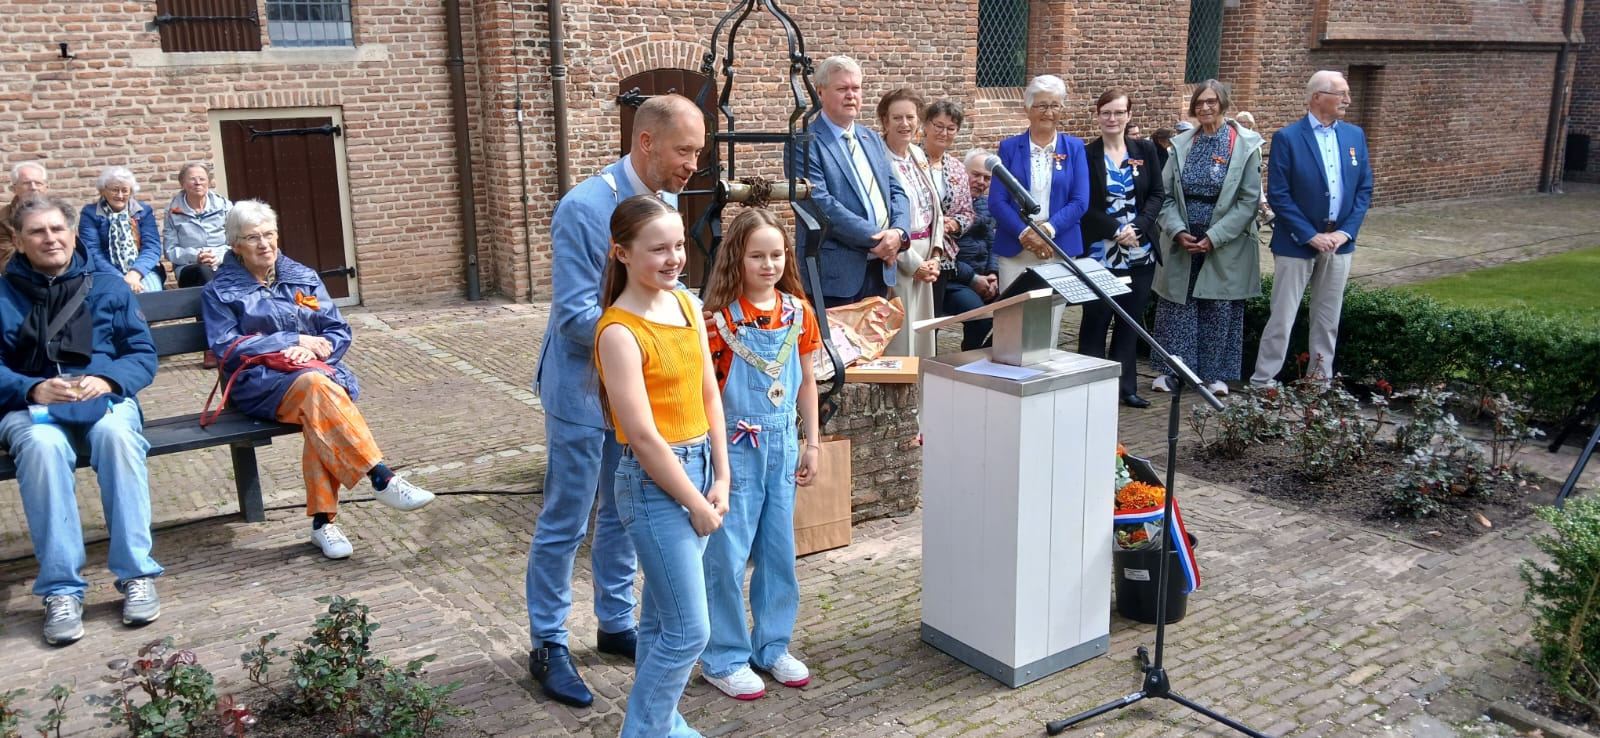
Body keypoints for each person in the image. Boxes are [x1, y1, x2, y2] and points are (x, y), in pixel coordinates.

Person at [527, 92, 705, 708]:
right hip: (581, 392)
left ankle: (615, 622)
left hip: (638, 391)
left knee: (624, 515)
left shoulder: (666, 200)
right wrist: (648, 330)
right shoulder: (583, 208)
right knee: (566, 519)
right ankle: (547, 643)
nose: (694, 165)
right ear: (647, 142)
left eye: (699, 152)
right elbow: (576, 315)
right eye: (685, 151)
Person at [201, 200, 435, 561]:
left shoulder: (302, 277)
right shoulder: (220, 292)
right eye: (252, 238)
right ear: (235, 246)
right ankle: (381, 477)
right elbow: (226, 348)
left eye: (269, 234)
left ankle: (323, 524)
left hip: (314, 376)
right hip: (259, 384)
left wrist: (313, 351)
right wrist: (291, 342)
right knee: (318, 390)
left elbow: (337, 330)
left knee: (318, 400)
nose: (264, 244)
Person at [594, 194, 730, 738]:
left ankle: (660, 722)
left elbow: (710, 397)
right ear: (621, 253)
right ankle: (646, 730)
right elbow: (645, 438)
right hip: (654, 487)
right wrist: (696, 503)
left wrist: (721, 475)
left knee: (660, 620)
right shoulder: (618, 332)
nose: (673, 258)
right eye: (658, 249)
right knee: (689, 632)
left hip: (700, 470)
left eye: (678, 245)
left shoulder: (687, 306)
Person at [0, 195, 164, 646]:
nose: (49, 238)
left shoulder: (108, 286)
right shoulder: (2, 295)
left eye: (57, 229)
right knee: (42, 447)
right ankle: (61, 590)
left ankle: (136, 575)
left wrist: (108, 380)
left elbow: (142, 354)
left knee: (116, 436)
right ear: (18, 240)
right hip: (31, 406)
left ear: (73, 233)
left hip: (103, 400)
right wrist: (29, 388)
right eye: (37, 231)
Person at [699, 208, 821, 701]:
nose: (768, 264)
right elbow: (706, 395)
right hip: (735, 450)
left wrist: (812, 441)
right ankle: (723, 656)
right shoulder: (718, 323)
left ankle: (771, 645)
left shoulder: (799, 312)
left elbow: (808, 381)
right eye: (757, 256)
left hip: (784, 446)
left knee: (778, 551)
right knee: (726, 554)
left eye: (776, 254)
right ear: (737, 258)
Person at [1250, 71, 1372, 386]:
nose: (1348, 99)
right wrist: (1310, 235)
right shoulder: (1288, 138)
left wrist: (1344, 233)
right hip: (1296, 243)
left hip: (1339, 243)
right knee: (1282, 317)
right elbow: (1279, 193)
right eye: (1341, 93)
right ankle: (1263, 381)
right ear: (1317, 96)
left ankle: (1320, 381)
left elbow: (1363, 190)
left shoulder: (1354, 136)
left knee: (1328, 319)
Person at [1150, 80, 1264, 397]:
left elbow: (1248, 201)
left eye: (1212, 102)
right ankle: (1173, 372)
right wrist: (1176, 230)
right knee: (1178, 305)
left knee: (1219, 305)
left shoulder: (1244, 145)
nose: (1205, 108)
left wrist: (1214, 237)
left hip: (1224, 239)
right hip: (1184, 238)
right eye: (1200, 102)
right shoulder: (1181, 144)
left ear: (1223, 104)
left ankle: (1214, 375)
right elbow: (1165, 195)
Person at [786, 55, 910, 308]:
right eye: (842, 88)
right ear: (820, 92)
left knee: (874, 346)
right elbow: (818, 203)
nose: (851, 95)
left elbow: (896, 192)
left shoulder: (871, 138)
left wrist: (899, 233)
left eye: (856, 88)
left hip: (880, 270)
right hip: (836, 276)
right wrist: (878, 240)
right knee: (836, 347)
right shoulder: (804, 143)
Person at [1079, 88, 1166, 409]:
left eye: (1118, 112)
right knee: (1096, 320)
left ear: (1129, 115)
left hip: (1141, 252)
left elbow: (1157, 194)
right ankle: (1089, 387)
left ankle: (1125, 388)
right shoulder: (1086, 155)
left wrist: (1139, 226)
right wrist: (1115, 230)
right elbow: (1084, 205)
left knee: (1129, 321)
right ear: (1097, 116)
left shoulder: (1145, 150)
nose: (1112, 119)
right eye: (1106, 113)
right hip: (1102, 252)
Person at [990, 74, 1089, 340]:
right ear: (1027, 109)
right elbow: (997, 202)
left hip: (1058, 247)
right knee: (1012, 326)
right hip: (1016, 248)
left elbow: (1080, 201)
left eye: (1055, 105)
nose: (1049, 112)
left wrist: (1047, 232)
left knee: (1048, 328)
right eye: (1042, 105)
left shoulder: (1076, 148)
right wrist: (1027, 235)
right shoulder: (1009, 148)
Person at [877, 88, 943, 358]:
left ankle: (922, 392)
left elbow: (934, 204)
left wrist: (937, 254)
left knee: (923, 334)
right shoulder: (878, 158)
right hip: (901, 257)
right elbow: (882, 214)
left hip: (927, 256)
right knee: (901, 337)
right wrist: (913, 263)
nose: (905, 124)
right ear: (884, 121)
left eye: (910, 117)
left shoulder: (917, 154)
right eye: (897, 118)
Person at [923, 101, 989, 352]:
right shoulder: (912, 159)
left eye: (951, 128)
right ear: (926, 125)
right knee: (920, 322)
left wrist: (954, 224)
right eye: (938, 125)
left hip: (944, 260)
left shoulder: (957, 169)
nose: (944, 133)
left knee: (935, 322)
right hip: (916, 251)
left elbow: (966, 212)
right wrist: (935, 222)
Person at [78, 166, 164, 293]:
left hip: (142, 270)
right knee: (115, 296)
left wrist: (135, 273)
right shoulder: (90, 213)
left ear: (131, 192)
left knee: (150, 294)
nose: (120, 195)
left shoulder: (143, 211)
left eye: (125, 190)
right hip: (105, 272)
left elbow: (152, 247)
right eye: (114, 190)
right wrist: (120, 278)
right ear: (103, 190)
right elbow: (92, 251)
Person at [164, 162, 233, 288]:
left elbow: (235, 243)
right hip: (190, 266)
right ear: (182, 184)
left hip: (223, 262)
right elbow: (170, 250)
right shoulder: (172, 212)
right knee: (203, 271)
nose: (198, 183)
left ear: (208, 182)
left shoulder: (225, 207)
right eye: (192, 179)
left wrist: (216, 257)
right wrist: (196, 256)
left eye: (202, 179)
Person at [1, 162, 49, 264]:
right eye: (26, 183)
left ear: (46, 188)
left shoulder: (61, 213)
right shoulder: (3, 219)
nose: (33, 187)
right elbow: (7, 260)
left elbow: (74, 246)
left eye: (38, 183)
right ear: (14, 189)